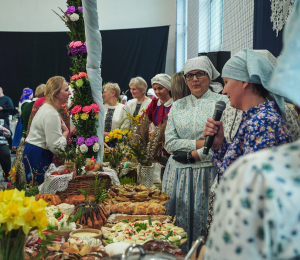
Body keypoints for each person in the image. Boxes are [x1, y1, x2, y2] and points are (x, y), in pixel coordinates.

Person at [204, 1, 300, 257]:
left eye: (226, 82)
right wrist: (220, 144)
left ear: (246, 82)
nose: (223, 90)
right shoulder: (254, 117)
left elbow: (257, 195)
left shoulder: (264, 122)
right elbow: (235, 169)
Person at [162, 56, 229, 252]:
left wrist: (195, 152)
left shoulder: (222, 102)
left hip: (207, 173)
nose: (195, 79)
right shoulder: (178, 105)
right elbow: (170, 143)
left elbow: (222, 143)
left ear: (209, 77)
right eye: (190, 75)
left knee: (203, 220)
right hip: (177, 174)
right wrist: (201, 143)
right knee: (177, 222)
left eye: (200, 74)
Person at [23, 76, 70, 184]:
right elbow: (55, 147)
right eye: (66, 90)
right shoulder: (51, 113)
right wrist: (65, 134)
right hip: (37, 155)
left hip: (34, 152)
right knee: (38, 194)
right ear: (56, 93)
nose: (70, 93)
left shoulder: (47, 108)